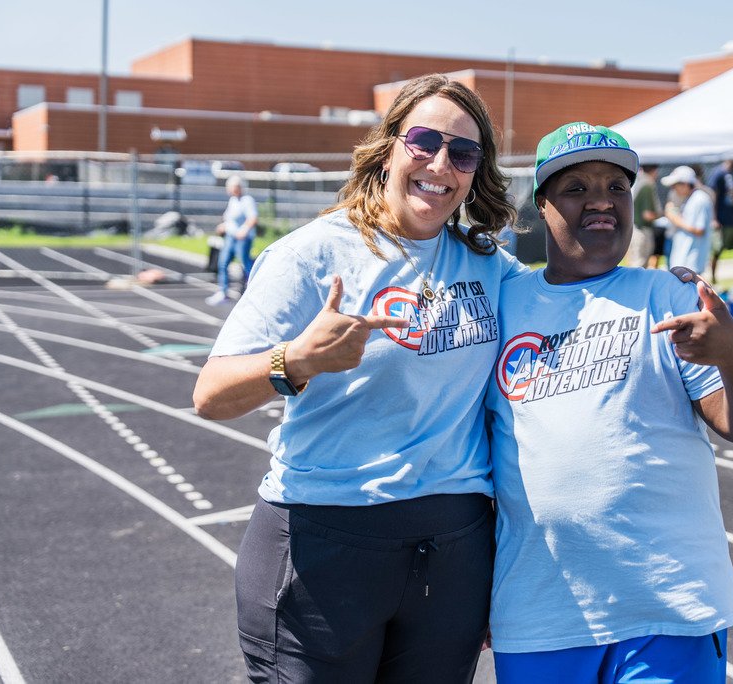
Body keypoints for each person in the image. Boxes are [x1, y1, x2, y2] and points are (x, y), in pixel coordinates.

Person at [193, 74, 521, 682]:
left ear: (478, 170)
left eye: (463, 152)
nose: (440, 163)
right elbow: (210, 395)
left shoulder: (492, 265)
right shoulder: (314, 254)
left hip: (451, 559)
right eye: (423, 141)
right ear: (389, 146)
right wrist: (296, 360)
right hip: (324, 553)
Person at [486, 123, 733, 683]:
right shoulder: (503, 305)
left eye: (616, 187)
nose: (601, 199)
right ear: (541, 206)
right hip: (540, 610)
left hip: (668, 608)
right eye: (576, 188)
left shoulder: (668, 296)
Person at [207, 175, 259, 305]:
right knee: (223, 263)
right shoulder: (233, 200)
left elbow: (253, 218)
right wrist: (224, 226)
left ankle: (255, 291)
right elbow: (230, 219)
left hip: (242, 239)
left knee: (246, 264)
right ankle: (223, 292)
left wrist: (244, 229)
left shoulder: (247, 200)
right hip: (230, 237)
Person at [664, 165, 714, 274]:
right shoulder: (692, 198)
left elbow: (699, 229)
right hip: (685, 262)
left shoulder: (700, 199)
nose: (673, 189)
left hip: (691, 262)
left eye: (675, 185)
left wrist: (675, 219)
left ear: (685, 184)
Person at [708, 160, 733, 287]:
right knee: (717, 251)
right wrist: (714, 218)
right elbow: (713, 195)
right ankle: (713, 280)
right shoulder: (718, 173)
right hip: (722, 220)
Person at [627, 164, 660, 268]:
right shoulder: (647, 184)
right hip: (642, 230)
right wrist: (664, 215)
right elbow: (647, 215)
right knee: (639, 265)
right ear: (654, 170)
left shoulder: (639, 181)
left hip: (635, 229)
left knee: (635, 264)